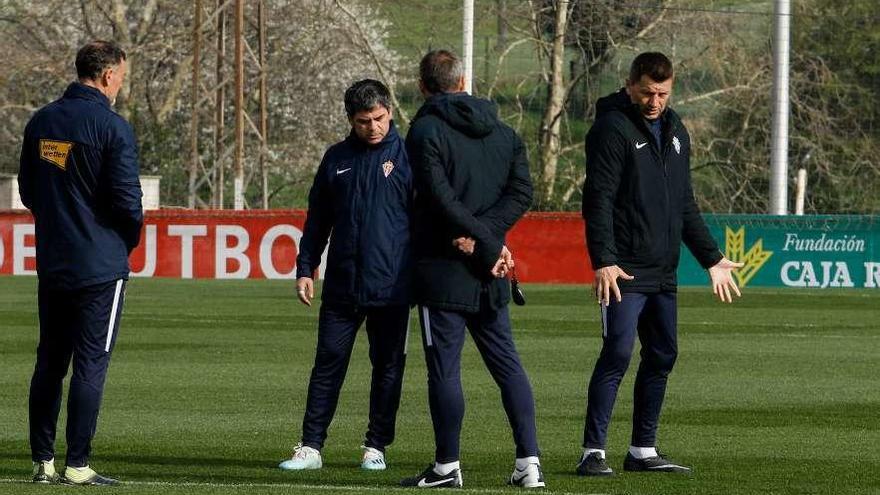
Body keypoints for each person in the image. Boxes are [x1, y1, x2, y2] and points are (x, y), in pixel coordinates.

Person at [577, 52, 743, 477]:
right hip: (624, 270)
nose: (654, 101)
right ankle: (593, 452)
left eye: (663, 94)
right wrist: (604, 260)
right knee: (617, 352)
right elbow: (598, 199)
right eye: (648, 92)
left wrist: (712, 258)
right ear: (631, 84)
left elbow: (683, 203)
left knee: (663, 354)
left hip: (663, 272)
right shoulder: (611, 129)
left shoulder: (676, 130)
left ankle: (642, 450)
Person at [400, 50, 543, 489]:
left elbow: (438, 198)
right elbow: (522, 192)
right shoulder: (504, 132)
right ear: (463, 82)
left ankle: (447, 466)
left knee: (444, 369)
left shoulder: (423, 130)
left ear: (424, 86)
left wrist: (478, 239)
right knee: (507, 363)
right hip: (492, 268)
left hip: (442, 267)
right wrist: (492, 240)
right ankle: (529, 463)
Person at [18, 40, 142, 486]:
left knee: (50, 360)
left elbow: (29, 191)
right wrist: (123, 241)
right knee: (91, 363)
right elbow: (129, 202)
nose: (121, 85)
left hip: (54, 260)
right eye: (122, 77)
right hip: (100, 265)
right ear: (109, 75)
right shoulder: (113, 127)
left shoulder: (43, 121)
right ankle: (78, 463)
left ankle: (42, 461)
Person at [278, 79, 411, 472]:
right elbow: (318, 218)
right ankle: (311, 447)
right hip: (342, 282)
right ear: (350, 120)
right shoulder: (336, 158)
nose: (373, 127)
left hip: (392, 285)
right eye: (363, 121)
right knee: (328, 362)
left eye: (379, 118)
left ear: (390, 111)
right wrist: (306, 267)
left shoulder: (409, 157)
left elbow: (426, 220)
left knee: (387, 365)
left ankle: (376, 446)